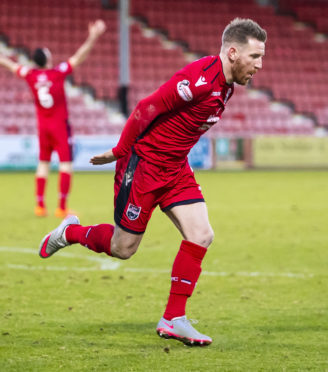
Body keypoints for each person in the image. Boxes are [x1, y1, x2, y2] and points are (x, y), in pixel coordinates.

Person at [39, 18, 266, 346]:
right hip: (143, 166)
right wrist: (119, 151)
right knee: (123, 248)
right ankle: (70, 232)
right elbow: (146, 107)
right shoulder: (199, 80)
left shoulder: (228, 85)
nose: (259, 65)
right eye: (255, 57)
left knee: (201, 234)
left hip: (175, 169)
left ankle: (173, 318)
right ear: (233, 53)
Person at [0, 20, 106, 218]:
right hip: (59, 126)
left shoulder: (30, 74)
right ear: (47, 58)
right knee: (65, 164)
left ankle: (40, 206)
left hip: (43, 126)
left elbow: (10, 64)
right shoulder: (57, 73)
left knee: (43, 164)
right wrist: (93, 37)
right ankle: (61, 207)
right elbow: (79, 56)